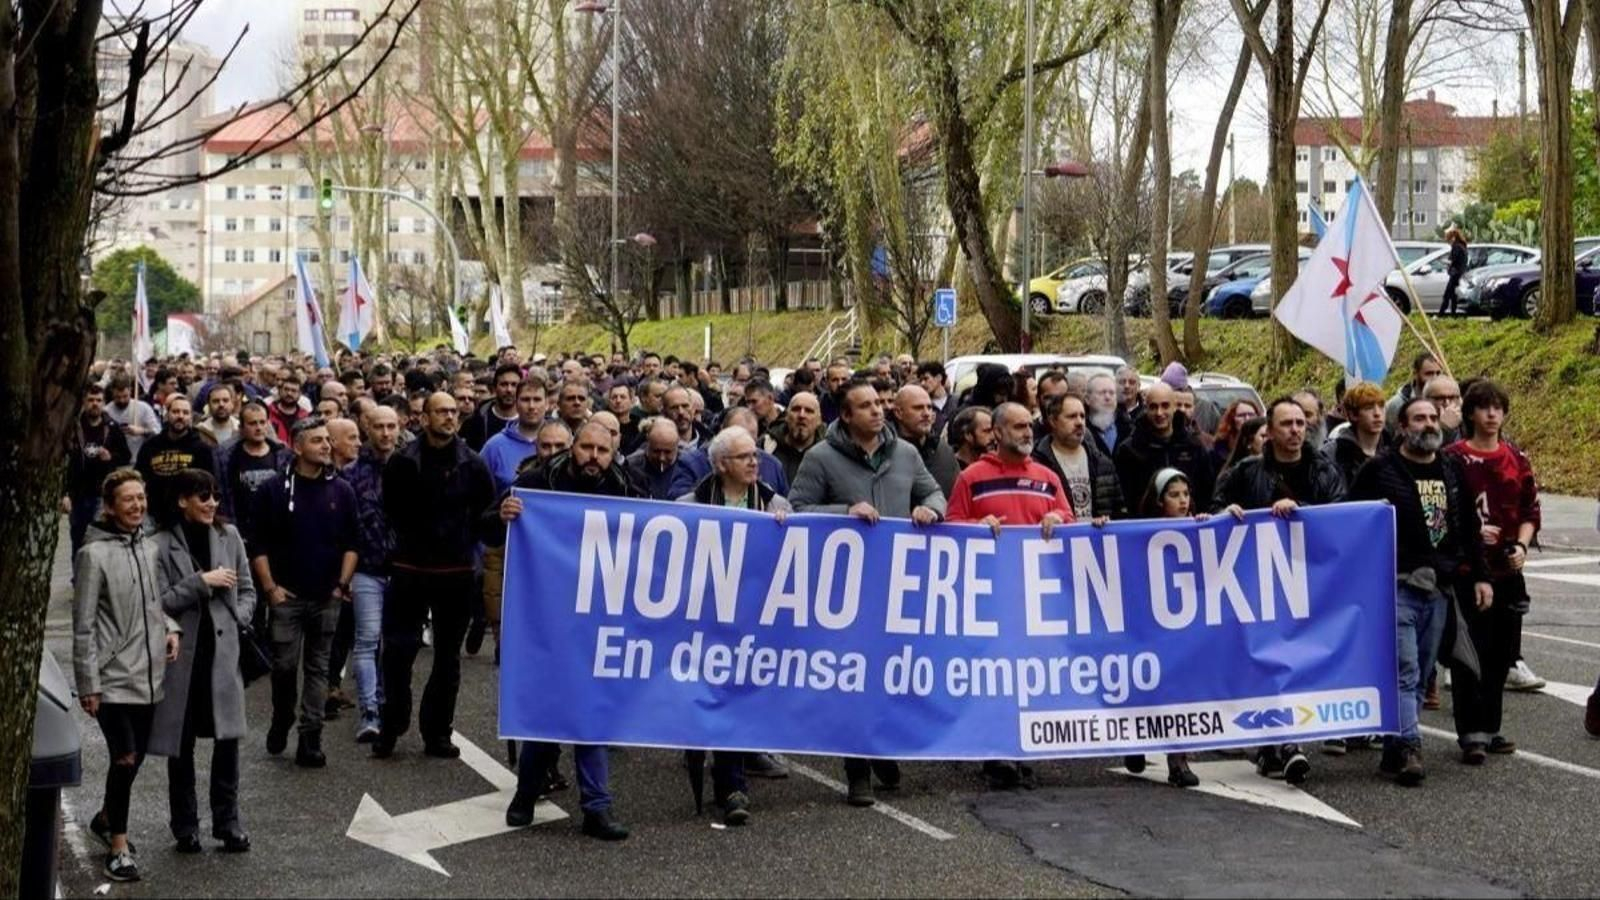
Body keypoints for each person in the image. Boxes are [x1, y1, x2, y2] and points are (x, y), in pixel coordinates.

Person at [789, 378, 946, 808]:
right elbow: (796, 507)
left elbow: (932, 490)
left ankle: (881, 746)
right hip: (846, 589)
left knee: (891, 674)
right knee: (854, 679)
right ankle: (857, 769)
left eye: (880, 403)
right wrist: (844, 512)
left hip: (897, 585)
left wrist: (930, 507)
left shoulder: (906, 453)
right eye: (865, 406)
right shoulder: (821, 458)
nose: (877, 411)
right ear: (846, 415)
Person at [495, 421, 636, 840]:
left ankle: (597, 807)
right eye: (586, 448)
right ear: (574, 448)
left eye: (603, 451)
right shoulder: (538, 480)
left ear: (614, 454)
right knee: (550, 713)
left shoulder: (627, 486)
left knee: (591, 712)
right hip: (549, 616)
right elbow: (485, 524)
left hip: (601, 617)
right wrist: (503, 514)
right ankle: (525, 792)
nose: (594, 457)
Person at [1351, 397, 1492, 787]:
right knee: (1405, 669)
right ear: (1402, 427)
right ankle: (1411, 747)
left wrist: (1480, 575)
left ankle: (1394, 750)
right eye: (1419, 418)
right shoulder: (1379, 470)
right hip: (1397, 586)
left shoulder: (1451, 468)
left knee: (1423, 670)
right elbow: (1350, 518)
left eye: (1433, 418)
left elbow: (1468, 528)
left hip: (1440, 588)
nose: (1429, 424)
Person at [1212, 397, 1344, 780]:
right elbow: (1215, 507)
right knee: (1269, 663)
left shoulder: (1323, 469)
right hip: (1258, 586)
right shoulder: (1246, 471)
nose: (1296, 430)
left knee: (1295, 664)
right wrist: (1226, 514)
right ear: (1268, 431)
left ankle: (1280, 745)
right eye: (1287, 424)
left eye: (1301, 423)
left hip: (1308, 583)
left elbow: (1340, 515)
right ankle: (1285, 744)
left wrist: (1299, 508)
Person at [945, 402, 1071, 790]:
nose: (1027, 432)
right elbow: (952, 525)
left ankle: (1022, 746)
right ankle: (995, 749)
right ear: (996, 433)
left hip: (1034, 599)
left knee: (1028, 674)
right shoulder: (971, 477)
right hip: (990, 597)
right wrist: (975, 525)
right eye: (1017, 427)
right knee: (995, 675)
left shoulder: (1048, 477)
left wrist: (1058, 519)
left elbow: (1070, 519)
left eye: (1028, 426)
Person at [675, 427, 795, 824]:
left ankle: (734, 779)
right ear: (722, 464)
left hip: (755, 620)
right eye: (744, 456)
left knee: (739, 698)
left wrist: (783, 530)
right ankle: (726, 782)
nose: (754, 461)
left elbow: (796, 554)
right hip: (709, 621)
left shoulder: (774, 503)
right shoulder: (690, 505)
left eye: (755, 455)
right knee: (716, 697)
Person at [72, 469, 180, 882]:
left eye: (141, 498)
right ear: (109, 507)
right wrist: (89, 684)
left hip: (149, 672)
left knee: (134, 760)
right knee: (125, 756)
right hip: (112, 676)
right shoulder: (92, 555)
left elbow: (155, 604)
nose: (137, 506)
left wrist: (170, 629)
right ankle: (118, 847)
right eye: (128, 500)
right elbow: (83, 625)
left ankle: (104, 817)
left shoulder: (148, 548)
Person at [375, 392, 496, 761]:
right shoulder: (402, 461)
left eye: (453, 412)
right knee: (398, 651)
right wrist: (395, 553)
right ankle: (392, 725)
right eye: (440, 411)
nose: (448, 417)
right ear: (423, 417)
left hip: (455, 572)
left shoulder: (472, 465)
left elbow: (485, 514)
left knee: (447, 658)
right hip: (409, 570)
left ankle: (437, 732)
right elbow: (389, 510)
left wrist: (472, 548)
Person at [148, 470, 254, 854]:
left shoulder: (230, 536)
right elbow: (155, 601)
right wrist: (201, 582)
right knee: (182, 746)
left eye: (214, 496)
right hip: (183, 659)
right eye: (202, 496)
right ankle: (185, 827)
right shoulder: (157, 544)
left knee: (228, 743)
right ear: (181, 501)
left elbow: (247, 589)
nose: (211, 503)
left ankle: (228, 823)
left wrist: (239, 616)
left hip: (223, 656)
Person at [248, 417, 359, 768]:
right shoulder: (272, 490)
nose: (326, 446)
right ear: (297, 447)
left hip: (327, 596)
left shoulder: (341, 490)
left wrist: (342, 585)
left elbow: (352, 543)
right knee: (283, 666)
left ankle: (310, 736)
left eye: (327, 440)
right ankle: (282, 717)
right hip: (286, 597)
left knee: (318, 668)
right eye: (316, 441)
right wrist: (270, 589)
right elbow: (258, 545)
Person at [1443, 380, 1540, 762]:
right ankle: (1471, 732)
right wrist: (1471, 530)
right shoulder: (1453, 459)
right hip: (1468, 568)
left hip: (1506, 570)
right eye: (1484, 407)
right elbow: (1444, 510)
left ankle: (1493, 726)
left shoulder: (1516, 457)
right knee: (1470, 653)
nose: (1492, 414)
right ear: (1470, 414)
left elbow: (1531, 510)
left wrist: (1521, 546)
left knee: (1501, 654)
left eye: (1498, 407)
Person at [1137, 468, 1224, 788]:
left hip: (1185, 623)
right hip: (1149, 624)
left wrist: (1223, 519)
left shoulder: (1197, 527)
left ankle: (1179, 760)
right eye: (1174, 495)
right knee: (1149, 687)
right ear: (1159, 500)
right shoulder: (1138, 533)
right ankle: (1134, 742)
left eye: (1185, 494)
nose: (1183, 501)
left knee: (1181, 690)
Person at [342, 405, 400, 741]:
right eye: (379, 426)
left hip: (403, 568)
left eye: (391, 426)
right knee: (366, 640)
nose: (386, 433)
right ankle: (370, 711)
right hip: (366, 568)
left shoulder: (409, 467)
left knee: (393, 643)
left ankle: (388, 703)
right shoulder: (352, 473)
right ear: (368, 428)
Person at [1114, 383, 1216, 514]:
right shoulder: (1130, 450)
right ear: (1146, 408)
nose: (1159, 413)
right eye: (1153, 407)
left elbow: (1207, 491)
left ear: (1174, 407)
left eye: (1165, 406)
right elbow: (1123, 499)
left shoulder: (1194, 446)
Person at [1031, 393, 1125, 524]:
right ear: (1053, 421)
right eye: (1071, 417)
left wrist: (1106, 521)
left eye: (1082, 416)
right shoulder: (1037, 464)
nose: (1079, 422)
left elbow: (1119, 512)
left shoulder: (1102, 463)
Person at [68, 383, 133, 555]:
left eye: (98, 400)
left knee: (98, 538)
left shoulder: (111, 427)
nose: (94, 404)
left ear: (104, 402)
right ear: (84, 402)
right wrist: (64, 494)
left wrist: (111, 457)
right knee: (78, 538)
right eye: (91, 400)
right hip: (78, 492)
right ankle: (78, 578)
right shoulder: (74, 427)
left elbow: (126, 455)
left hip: (102, 492)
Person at [136, 395, 218, 527]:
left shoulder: (202, 449)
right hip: (156, 518)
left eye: (185, 413)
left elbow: (209, 485)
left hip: (189, 517)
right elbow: (140, 478)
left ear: (191, 417)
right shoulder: (150, 445)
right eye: (175, 411)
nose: (180, 416)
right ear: (167, 414)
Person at [217, 401, 291, 547]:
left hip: (276, 530)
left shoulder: (282, 454)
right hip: (241, 531)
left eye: (262, 422)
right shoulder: (227, 457)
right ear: (241, 427)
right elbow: (223, 494)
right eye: (252, 423)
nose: (259, 428)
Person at [480, 375, 549, 493]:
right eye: (525, 400)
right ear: (516, 403)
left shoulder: (562, 442)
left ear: (547, 404)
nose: (531, 406)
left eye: (537, 400)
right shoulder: (494, 446)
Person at [892, 385, 960, 499]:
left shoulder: (943, 450)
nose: (927, 414)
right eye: (918, 408)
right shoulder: (886, 451)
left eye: (929, 407)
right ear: (899, 413)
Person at [1322, 383, 1387, 490]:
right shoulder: (1333, 453)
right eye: (1369, 408)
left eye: (1381, 406)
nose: (1377, 413)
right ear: (1353, 415)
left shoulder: (1394, 449)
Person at [625, 417, 693, 501]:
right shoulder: (630, 466)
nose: (662, 458)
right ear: (648, 443)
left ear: (677, 446)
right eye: (656, 451)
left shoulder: (690, 467)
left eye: (668, 452)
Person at [766, 391, 823, 485]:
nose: (801, 415)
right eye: (796, 409)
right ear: (787, 416)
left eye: (809, 411)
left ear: (819, 420)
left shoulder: (828, 454)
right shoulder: (767, 446)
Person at [107, 374, 162, 459]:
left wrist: (142, 431)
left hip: (140, 459)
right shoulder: (106, 411)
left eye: (125, 396)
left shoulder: (143, 408)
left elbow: (158, 433)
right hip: (116, 461)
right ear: (112, 392)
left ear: (130, 391)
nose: (122, 400)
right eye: (117, 397)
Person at [1384, 352, 1443, 430]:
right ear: (1415, 374)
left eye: (1438, 373)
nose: (1435, 378)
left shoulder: (1447, 401)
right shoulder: (1396, 404)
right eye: (1429, 373)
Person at [1209, 398, 1262, 472]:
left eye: (1251, 415)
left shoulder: (1265, 443)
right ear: (1232, 419)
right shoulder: (1220, 448)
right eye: (1241, 415)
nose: (1247, 418)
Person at [1085, 373, 1131, 458]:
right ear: (1087, 399)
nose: (1107, 397)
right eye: (1102, 393)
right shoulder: (1081, 429)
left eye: (1112, 393)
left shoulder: (1129, 427)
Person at [265, 374, 308, 445]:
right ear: (280, 391)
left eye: (293, 391)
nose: (289, 393)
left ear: (299, 394)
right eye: (286, 389)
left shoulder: (305, 416)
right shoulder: (267, 412)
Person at [1442, 226, 1468, 315]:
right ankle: (1453, 313)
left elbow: (1453, 260)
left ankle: (1441, 313)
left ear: (1453, 238)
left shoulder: (1456, 247)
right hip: (1460, 272)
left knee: (1447, 294)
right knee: (1452, 295)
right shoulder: (1462, 246)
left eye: (1448, 240)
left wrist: (1445, 261)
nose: (1449, 242)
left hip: (1455, 274)